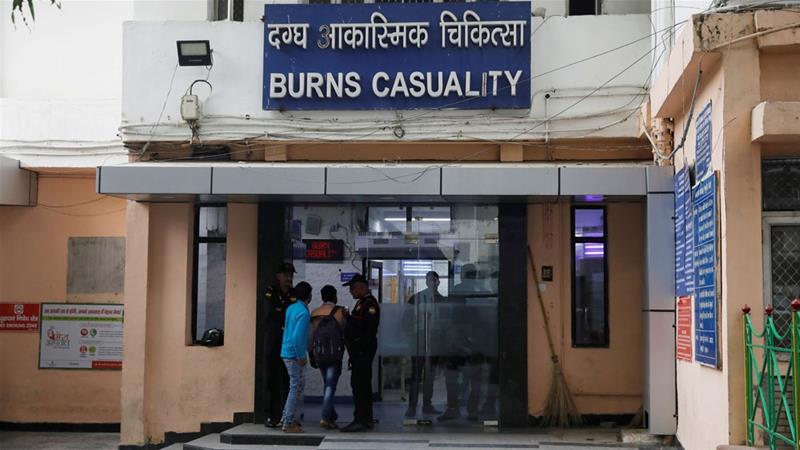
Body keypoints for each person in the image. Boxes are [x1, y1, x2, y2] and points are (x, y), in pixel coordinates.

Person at [340, 274, 380, 433]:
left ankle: (361, 420)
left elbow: (370, 331)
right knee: (359, 385)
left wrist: (359, 350)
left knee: (360, 386)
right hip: (358, 352)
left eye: (352, 288)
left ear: (362, 287)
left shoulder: (370, 304)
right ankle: (365, 419)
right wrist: (348, 318)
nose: (351, 291)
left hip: (363, 351)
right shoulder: (360, 303)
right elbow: (358, 325)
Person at [403, 271, 444, 418]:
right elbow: (406, 320)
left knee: (430, 375)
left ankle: (427, 405)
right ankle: (412, 407)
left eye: (434, 280)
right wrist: (412, 338)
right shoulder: (416, 298)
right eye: (429, 280)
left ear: (438, 282)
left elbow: (445, 322)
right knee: (416, 373)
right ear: (426, 282)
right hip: (419, 340)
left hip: (435, 340)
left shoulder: (441, 300)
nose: (431, 282)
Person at [309, 285, 348, 429]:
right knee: (330, 386)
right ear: (335, 296)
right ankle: (325, 417)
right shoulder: (340, 312)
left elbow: (311, 336)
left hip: (319, 354)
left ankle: (331, 415)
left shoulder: (314, 313)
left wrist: (311, 354)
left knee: (327, 384)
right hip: (334, 354)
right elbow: (345, 333)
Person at [263, 262, 296, 428]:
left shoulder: (294, 294)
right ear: (278, 276)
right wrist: (284, 313)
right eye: (286, 275)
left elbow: (290, 314)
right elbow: (271, 312)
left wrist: (282, 312)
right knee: (272, 378)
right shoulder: (271, 291)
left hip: (287, 339)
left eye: (291, 275)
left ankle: (286, 415)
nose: (289, 278)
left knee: (287, 379)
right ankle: (272, 414)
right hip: (274, 339)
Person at [279, 281, 313, 433]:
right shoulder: (304, 313)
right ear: (308, 296)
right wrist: (301, 356)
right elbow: (297, 336)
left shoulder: (291, 308)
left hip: (286, 351)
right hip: (294, 354)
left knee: (296, 385)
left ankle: (285, 417)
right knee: (295, 387)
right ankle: (288, 422)